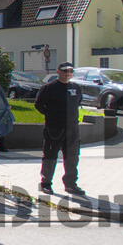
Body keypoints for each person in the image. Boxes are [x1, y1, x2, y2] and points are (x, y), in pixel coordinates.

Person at [34, 62, 85, 196]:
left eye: (70, 71)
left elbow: (78, 102)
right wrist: (51, 116)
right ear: (58, 72)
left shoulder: (76, 87)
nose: (68, 74)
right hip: (54, 129)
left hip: (72, 129)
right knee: (50, 156)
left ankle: (70, 184)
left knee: (72, 157)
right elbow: (38, 105)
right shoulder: (49, 87)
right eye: (65, 71)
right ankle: (46, 184)